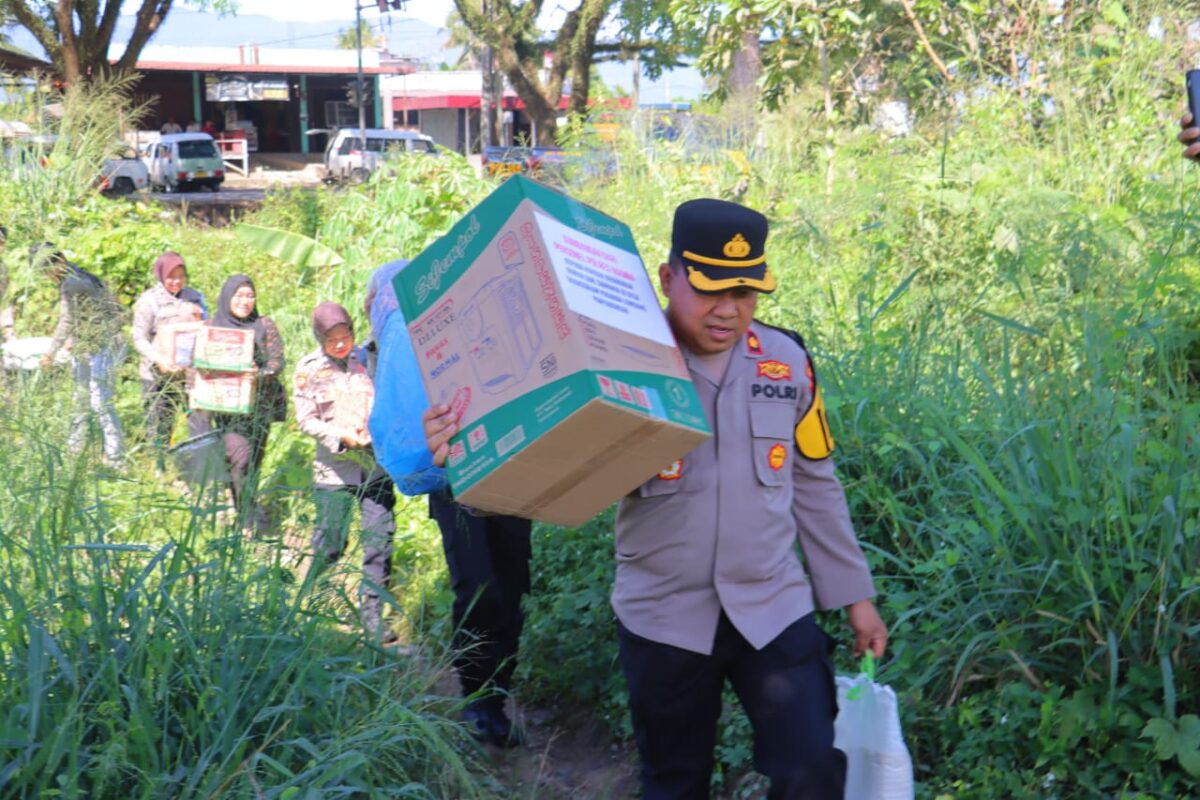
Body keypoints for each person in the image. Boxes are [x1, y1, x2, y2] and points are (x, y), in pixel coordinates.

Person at [425, 199, 889, 793]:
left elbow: (815, 484)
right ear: (668, 279)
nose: (728, 311)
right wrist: (463, 445)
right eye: (710, 290)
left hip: (773, 604)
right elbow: (535, 468)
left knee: (812, 770)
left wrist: (855, 597)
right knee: (674, 781)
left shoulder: (787, 363)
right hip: (665, 618)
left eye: (746, 294)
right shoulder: (615, 363)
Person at [370, 259, 532, 747]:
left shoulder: (457, 320)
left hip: (507, 463)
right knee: (478, 587)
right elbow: (400, 434)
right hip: (452, 481)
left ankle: (496, 697)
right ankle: (476, 700)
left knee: (512, 585)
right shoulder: (393, 344)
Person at [293, 301, 398, 643]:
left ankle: (373, 618)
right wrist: (340, 437)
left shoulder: (370, 359)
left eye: (346, 335)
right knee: (331, 544)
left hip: (374, 469)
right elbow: (305, 420)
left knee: (378, 541)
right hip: (333, 472)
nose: (341, 343)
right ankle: (301, 608)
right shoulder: (308, 369)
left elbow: (391, 398)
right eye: (332, 338)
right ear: (319, 338)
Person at [199, 275, 286, 530]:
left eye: (250, 296)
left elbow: (276, 363)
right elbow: (197, 362)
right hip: (226, 409)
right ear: (227, 297)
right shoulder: (212, 327)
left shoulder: (263, 325)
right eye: (239, 295)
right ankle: (246, 521)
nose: (245, 301)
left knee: (252, 463)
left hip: (259, 408)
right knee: (240, 459)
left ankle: (243, 505)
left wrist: (257, 374)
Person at [37, 245, 127, 464]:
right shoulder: (81, 274)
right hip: (87, 346)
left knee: (99, 401)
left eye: (49, 269)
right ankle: (75, 451)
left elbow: (67, 320)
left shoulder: (72, 282)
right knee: (81, 399)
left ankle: (116, 457)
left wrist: (50, 352)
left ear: (61, 260)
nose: (49, 276)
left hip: (102, 346)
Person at [130, 251, 208, 454]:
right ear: (161, 275)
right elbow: (139, 338)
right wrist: (159, 359)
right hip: (157, 374)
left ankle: (197, 462)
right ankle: (160, 467)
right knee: (160, 422)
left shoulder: (195, 298)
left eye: (181, 276)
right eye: (171, 277)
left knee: (197, 419)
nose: (177, 281)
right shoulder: (149, 301)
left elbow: (207, 329)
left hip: (188, 374)